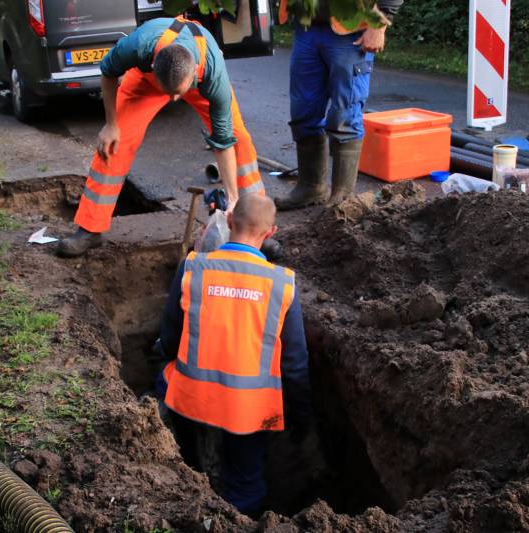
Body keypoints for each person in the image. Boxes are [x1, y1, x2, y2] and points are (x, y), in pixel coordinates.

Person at [56, 16, 267, 257]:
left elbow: (224, 141)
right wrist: (111, 125)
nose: (174, 100)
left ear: (192, 77)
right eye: (170, 94)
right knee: (115, 142)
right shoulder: (137, 46)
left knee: (239, 140)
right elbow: (108, 72)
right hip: (145, 83)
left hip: (196, 78)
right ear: (154, 66)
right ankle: (90, 228)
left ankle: (255, 227)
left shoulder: (212, 73)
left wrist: (232, 198)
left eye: (180, 94)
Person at [156, 194, 311, 516]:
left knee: (163, 384)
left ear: (228, 222)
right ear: (270, 233)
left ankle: (191, 468)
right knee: (245, 481)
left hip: (190, 399)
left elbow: (169, 337)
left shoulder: (193, 267)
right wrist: (300, 417)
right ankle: (239, 518)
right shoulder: (281, 285)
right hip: (248, 411)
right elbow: (295, 364)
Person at [274, 0, 404, 210]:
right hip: (307, 27)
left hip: (350, 31)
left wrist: (379, 24)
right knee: (303, 112)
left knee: (345, 116)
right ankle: (310, 187)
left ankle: (343, 196)